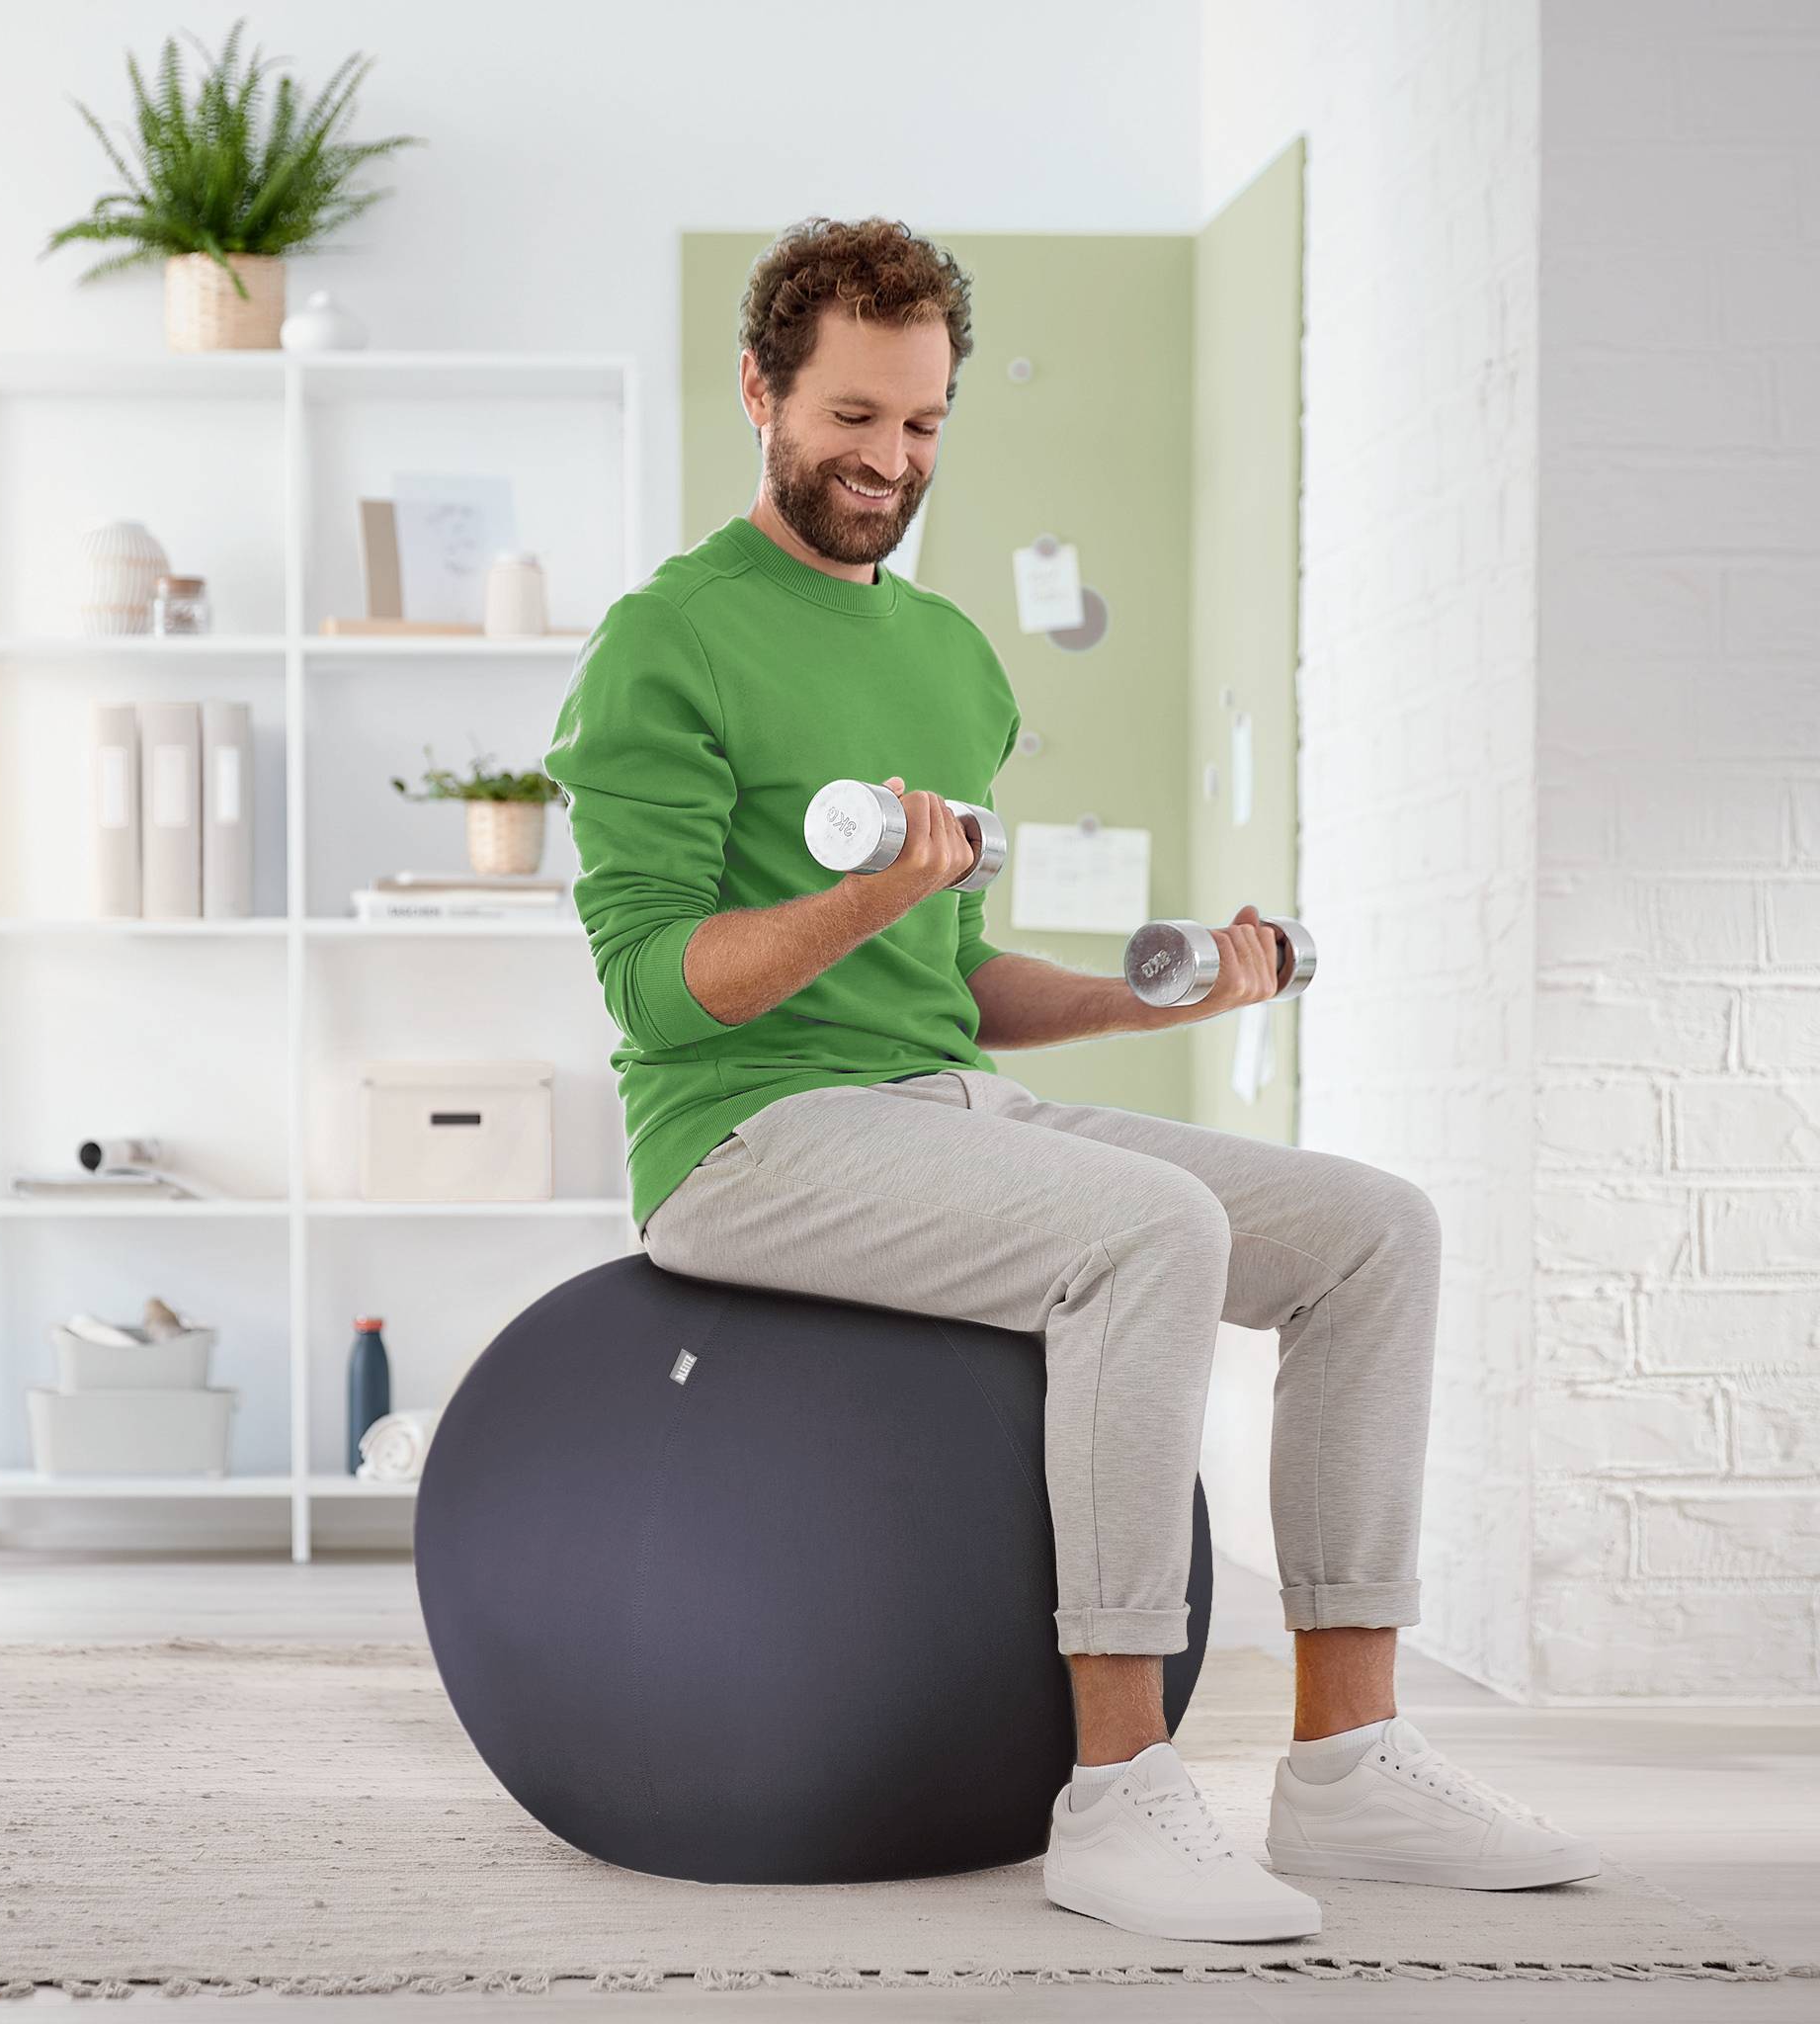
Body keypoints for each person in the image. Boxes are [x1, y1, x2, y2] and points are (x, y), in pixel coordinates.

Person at [543, 214, 1598, 1943]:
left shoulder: (954, 657)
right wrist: (867, 891)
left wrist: (1141, 997)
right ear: (759, 392)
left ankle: (1350, 1760)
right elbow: (661, 991)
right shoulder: (667, 642)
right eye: (855, 418)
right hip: (746, 1136)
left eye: (926, 426)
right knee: (1152, 1233)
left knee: (1374, 1231)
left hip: (950, 1110)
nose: (890, 462)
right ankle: (1117, 1791)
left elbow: (948, 986)